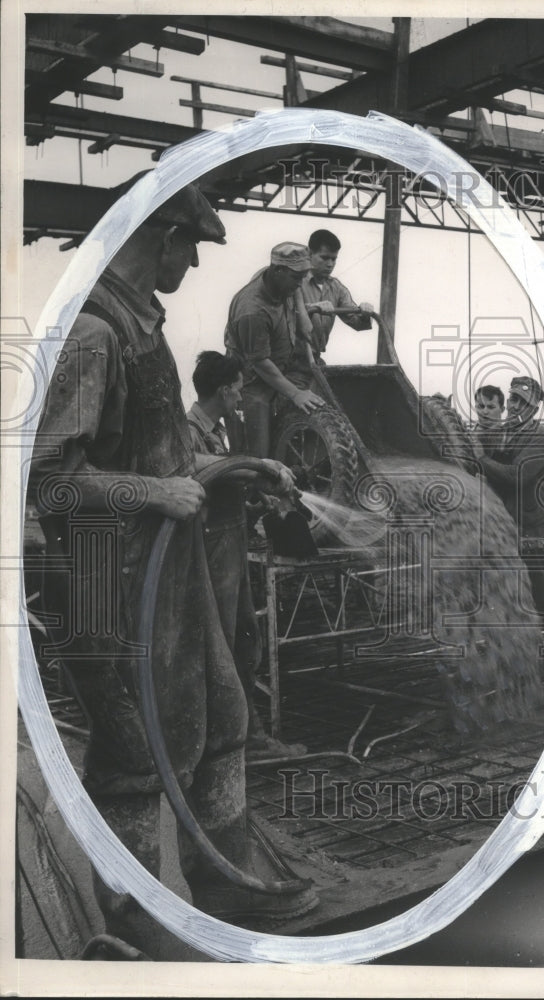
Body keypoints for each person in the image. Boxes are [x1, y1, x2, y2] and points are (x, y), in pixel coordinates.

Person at [28, 181, 316, 958]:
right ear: (160, 236)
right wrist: (157, 491)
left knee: (220, 722)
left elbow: (165, 450)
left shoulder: (142, 326)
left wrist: (238, 464)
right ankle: (132, 913)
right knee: (134, 752)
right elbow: (45, 478)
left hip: (169, 580)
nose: (192, 263)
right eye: (190, 246)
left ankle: (224, 877)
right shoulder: (92, 333)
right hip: (107, 581)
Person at [186, 351, 306, 756]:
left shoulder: (218, 429)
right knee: (217, 642)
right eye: (238, 387)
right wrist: (261, 466)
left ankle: (246, 737)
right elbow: (201, 470)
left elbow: (226, 480)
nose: (241, 395)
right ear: (223, 389)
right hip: (209, 549)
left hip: (232, 543)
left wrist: (257, 501)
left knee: (244, 642)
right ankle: (217, 742)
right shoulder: (186, 431)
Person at [471, 375, 544, 685]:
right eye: (513, 399)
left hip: (538, 537)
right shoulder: (505, 435)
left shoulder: (539, 438)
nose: (516, 405)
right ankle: (535, 675)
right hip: (510, 535)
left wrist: (479, 457)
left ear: (534, 406)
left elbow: (516, 475)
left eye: (522, 401)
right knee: (517, 611)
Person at [224, 242, 325, 459]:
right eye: (296, 278)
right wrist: (295, 393)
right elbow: (260, 363)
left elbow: (296, 288)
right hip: (250, 386)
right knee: (257, 458)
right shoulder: (252, 311)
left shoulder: (276, 278)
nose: (300, 285)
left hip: (277, 375)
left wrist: (302, 313)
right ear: (278, 270)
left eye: (302, 277)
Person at [301, 229, 374, 360]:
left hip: (314, 359)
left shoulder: (336, 288)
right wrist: (313, 307)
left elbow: (358, 323)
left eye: (333, 259)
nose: (330, 264)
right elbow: (284, 314)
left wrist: (364, 312)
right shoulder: (295, 282)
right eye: (324, 258)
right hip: (288, 359)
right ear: (309, 254)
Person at [470, 384, 505, 454]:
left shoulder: (511, 438)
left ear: (502, 409)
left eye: (491, 407)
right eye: (481, 406)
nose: (485, 412)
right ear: (475, 408)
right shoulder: (467, 437)